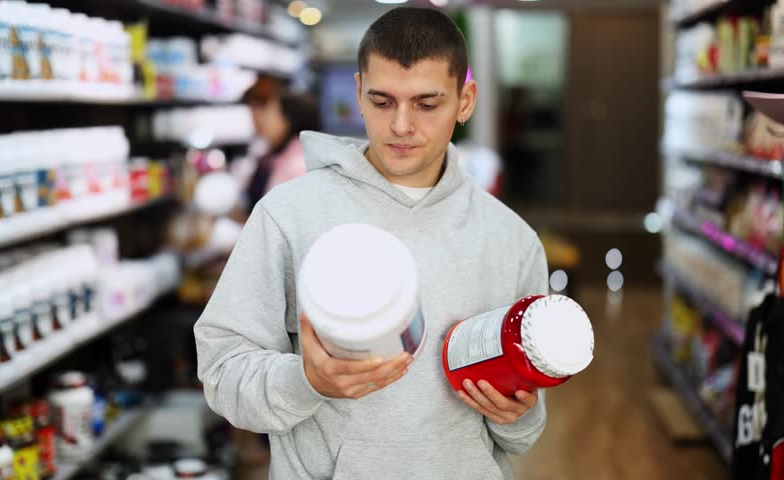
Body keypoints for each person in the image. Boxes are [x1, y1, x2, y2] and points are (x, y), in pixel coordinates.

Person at [194, 7, 548, 479]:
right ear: (358, 92)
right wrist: (307, 381)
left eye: (426, 104)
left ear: (465, 101)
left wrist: (519, 415)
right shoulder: (288, 215)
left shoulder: (513, 242)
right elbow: (222, 373)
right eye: (382, 102)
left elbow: (522, 430)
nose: (402, 125)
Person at [242, 76, 321, 209]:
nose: (262, 119)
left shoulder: (297, 165)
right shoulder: (276, 155)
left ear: (287, 119)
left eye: (269, 111)